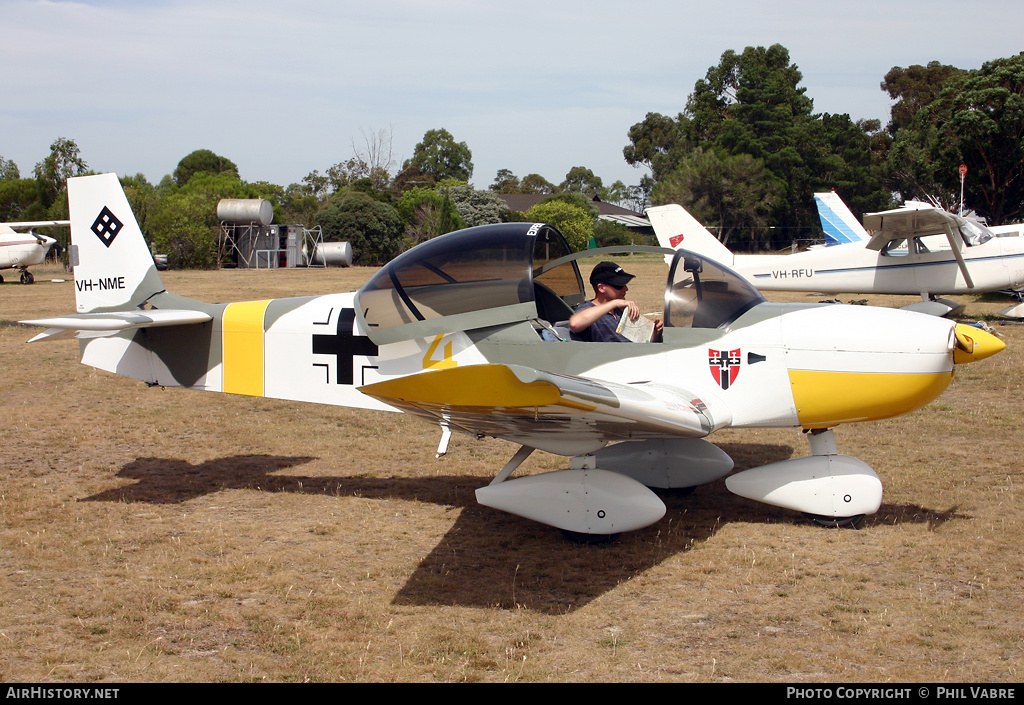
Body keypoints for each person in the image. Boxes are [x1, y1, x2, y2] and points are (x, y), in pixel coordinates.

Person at [569, 261, 663, 342]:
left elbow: (642, 342)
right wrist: (615, 303)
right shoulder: (588, 309)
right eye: (619, 285)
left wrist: (655, 333)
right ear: (601, 288)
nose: (626, 289)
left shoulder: (620, 312)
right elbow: (575, 323)